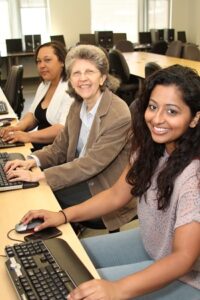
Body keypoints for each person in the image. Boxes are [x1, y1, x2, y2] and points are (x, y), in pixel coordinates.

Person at [14, 65, 200, 299]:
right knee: (65, 261)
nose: (157, 118)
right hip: (153, 242)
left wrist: (118, 289)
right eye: (153, 107)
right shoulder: (152, 149)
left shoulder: (194, 176)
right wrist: (63, 216)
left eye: (172, 111)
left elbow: (183, 258)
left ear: (194, 118)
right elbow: (116, 195)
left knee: (81, 288)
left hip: (190, 276)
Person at [5, 44, 137, 231]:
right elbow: (59, 148)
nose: (82, 78)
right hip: (80, 176)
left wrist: (39, 175)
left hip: (102, 189)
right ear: (71, 79)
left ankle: (60, 245)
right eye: (76, 73)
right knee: (33, 189)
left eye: (89, 72)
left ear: (102, 78)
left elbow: (90, 164)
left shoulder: (118, 114)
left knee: (43, 194)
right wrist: (30, 160)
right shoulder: (77, 105)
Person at [0, 41, 74, 150]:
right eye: (38, 61)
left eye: (47, 60)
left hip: (56, 152)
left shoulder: (71, 89)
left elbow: (62, 129)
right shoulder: (44, 85)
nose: (41, 65)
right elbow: (33, 115)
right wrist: (17, 128)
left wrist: (27, 136)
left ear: (62, 62)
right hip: (39, 145)